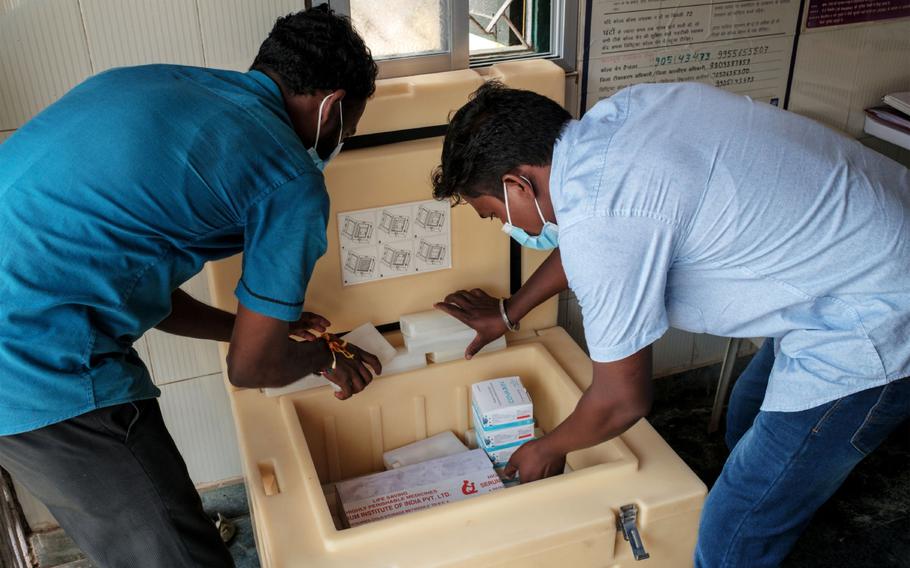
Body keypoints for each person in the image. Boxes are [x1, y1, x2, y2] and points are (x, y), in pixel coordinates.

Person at [431, 81, 910, 566]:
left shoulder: (603, 217)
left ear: (516, 185)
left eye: (495, 216)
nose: (509, 228)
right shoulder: (617, 121)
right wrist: (511, 311)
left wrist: (547, 448)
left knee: (733, 529)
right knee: (746, 413)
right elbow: (591, 235)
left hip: (875, 315)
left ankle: (764, 523)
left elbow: (622, 400)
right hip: (863, 248)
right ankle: (786, 502)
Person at [0, 6, 379, 567]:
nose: (338, 140)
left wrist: (254, 328)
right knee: (175, 556)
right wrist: (319, 358)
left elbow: (131, 282)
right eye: (348, 128)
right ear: (332, 107)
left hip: (23, 323)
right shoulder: (290, 179)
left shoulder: (146, 80)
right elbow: (249, 370)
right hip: (35, 360)